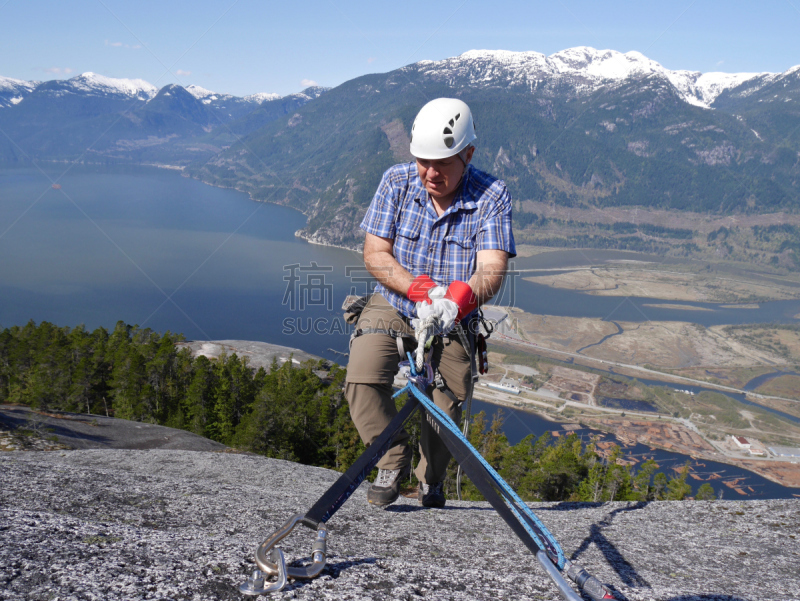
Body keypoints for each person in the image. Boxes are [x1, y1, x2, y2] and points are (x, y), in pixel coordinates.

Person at [345, 97, 515, 509]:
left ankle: (430, 478)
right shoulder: (396, 182)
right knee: (362, 380)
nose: (430, 173)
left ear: (468, 154)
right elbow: (375, 254)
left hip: (454, 316)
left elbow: (491, 268)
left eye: (443, 164)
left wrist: (458, 299)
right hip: (397, 302)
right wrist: (421, 290)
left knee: (446, 408)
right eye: (423, 161)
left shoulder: (491, 195)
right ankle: (392, 458)